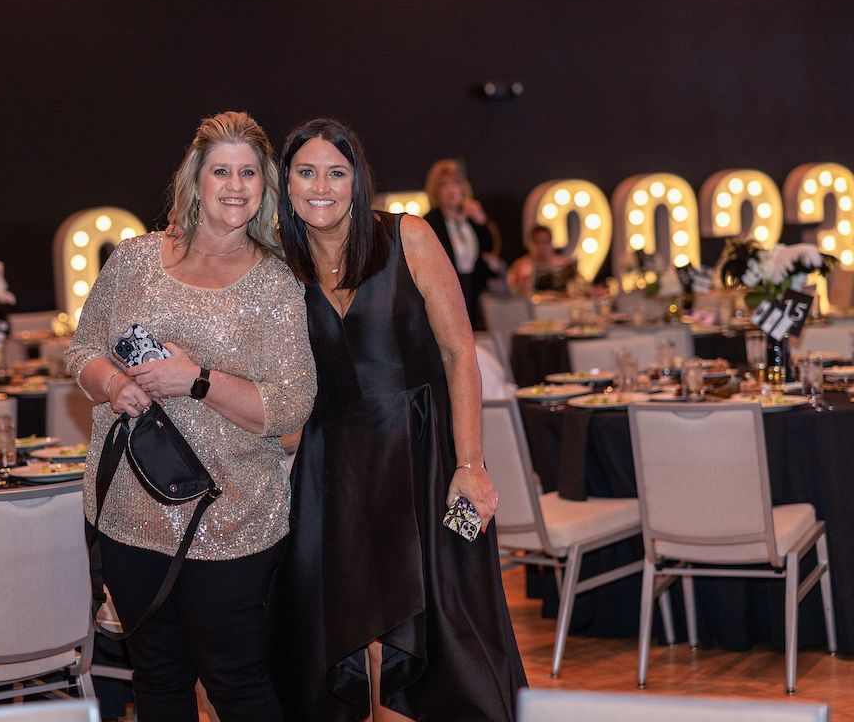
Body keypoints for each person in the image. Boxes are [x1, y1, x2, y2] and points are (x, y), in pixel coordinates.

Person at [267, 118, 526, 721]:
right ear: (288, 184)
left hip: (424, 454)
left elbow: (461, 352)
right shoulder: (278, 263)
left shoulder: (409, 236)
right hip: (332, 466)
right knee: (345, 625)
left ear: (358, 181)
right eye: (307, 172)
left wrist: (471, 465)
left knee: (441, 622)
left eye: (337, 172)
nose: (322, 186)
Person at [65, 111, 316, 722]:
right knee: (157, 680)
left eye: (249, 172)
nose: (235, 185)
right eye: (221, 171)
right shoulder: (133, 261)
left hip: (231, 519)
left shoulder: (278, 284)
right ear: (195, 181)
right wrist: (110, 383)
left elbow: (290, 405)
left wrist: (197, 381)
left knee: (235, 682)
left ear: (265, 186)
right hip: (129, 514)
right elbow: (81, 347)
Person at [421, 158, 502, 329]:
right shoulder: (431, 222)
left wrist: (482, 221)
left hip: (474, 289)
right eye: (444, 185)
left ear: (463, 188)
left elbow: (488, 249)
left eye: (455, 184)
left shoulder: (470, 218)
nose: (451, 190)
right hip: (447, 291)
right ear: (435, 191)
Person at [507, 224, 578, 295]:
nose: (542, 247)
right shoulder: (520, 267)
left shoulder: (565, 264)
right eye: (537, 243)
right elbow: (509, 292)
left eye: (545, 242)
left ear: (551, 244)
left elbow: (580, 288)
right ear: (529, 244)